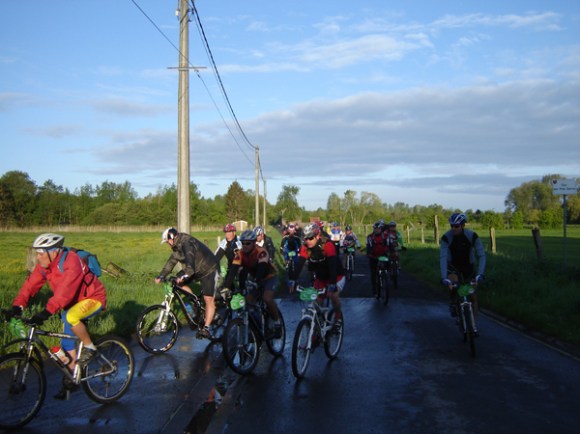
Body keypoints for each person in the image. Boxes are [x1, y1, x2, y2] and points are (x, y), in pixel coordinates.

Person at [9, 233, 106, 399]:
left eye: (40, 253)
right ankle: (73, 377)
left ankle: (90, 347)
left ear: (53, 252)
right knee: (66, 343)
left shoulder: (71, 260)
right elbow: (30, 286)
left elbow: (65, 291)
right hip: (71, 304)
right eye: (37, 253)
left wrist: (47, 311)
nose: (37, 257)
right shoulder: (44, 266)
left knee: (70, 317)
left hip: (92, 298)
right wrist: (17, 306)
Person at [155, 227, 219, 340]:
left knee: (208, 299)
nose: (168, 244)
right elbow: (171, 262)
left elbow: (190, 263)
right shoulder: (176, 246)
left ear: (172, 238)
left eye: (167, 241)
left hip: (208, 268)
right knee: (176, 283)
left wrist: (184, 276)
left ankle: (206, 329)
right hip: (195, 269)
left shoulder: (186, 243)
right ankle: (194, 302)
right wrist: (161, 275)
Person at [221, 229, 282, 336]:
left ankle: (277, 322)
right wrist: (226, 286)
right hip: (255, 278)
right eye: (243, 243)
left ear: (254, 243)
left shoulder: (261, 252)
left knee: (267, 298)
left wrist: (255, 281)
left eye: (248, 243)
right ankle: (256, 327)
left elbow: (262, 268)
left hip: (268, 277)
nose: (245, 246)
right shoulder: (240, 254)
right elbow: (233, 271)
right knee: (248, 301)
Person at [288, 222, 345, 326]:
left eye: (311, 238)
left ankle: (338, 318)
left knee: (333, 296)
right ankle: (316, 328)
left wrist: (332, 283)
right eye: (306, 238)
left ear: (318, 235)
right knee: (316, 302)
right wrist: (292, 279)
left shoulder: (327, 245)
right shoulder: (305, 247)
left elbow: (332, 265)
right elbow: (299, 264)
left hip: (336, 275)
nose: (308, 241)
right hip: (321, 277)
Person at [440, 213, 486, 320]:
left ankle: (473, 325)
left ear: (463, 225)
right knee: (453, 283)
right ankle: (453, 302)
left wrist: (480, 274)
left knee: (473, 297)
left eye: (456, 226)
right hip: (453, 267)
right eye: (452, 226)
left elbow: (482, 255)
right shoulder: (446, 238)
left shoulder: (472, 236)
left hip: (468, 267)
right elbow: (443, 258)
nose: (453, 228)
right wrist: (443, 277)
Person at [366, 221, 390, 297]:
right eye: (375, 229)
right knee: (373, 273)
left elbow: (389, 245)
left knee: (388, 265)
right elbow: (368, 247)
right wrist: (369, 254)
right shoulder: (370, 237)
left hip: (383, 255)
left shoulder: (385, 236)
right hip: (374, 256)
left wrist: (391, 252)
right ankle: (374, 290)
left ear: (381, 229)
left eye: (378, 229)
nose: (377, 230)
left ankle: (386, 277)